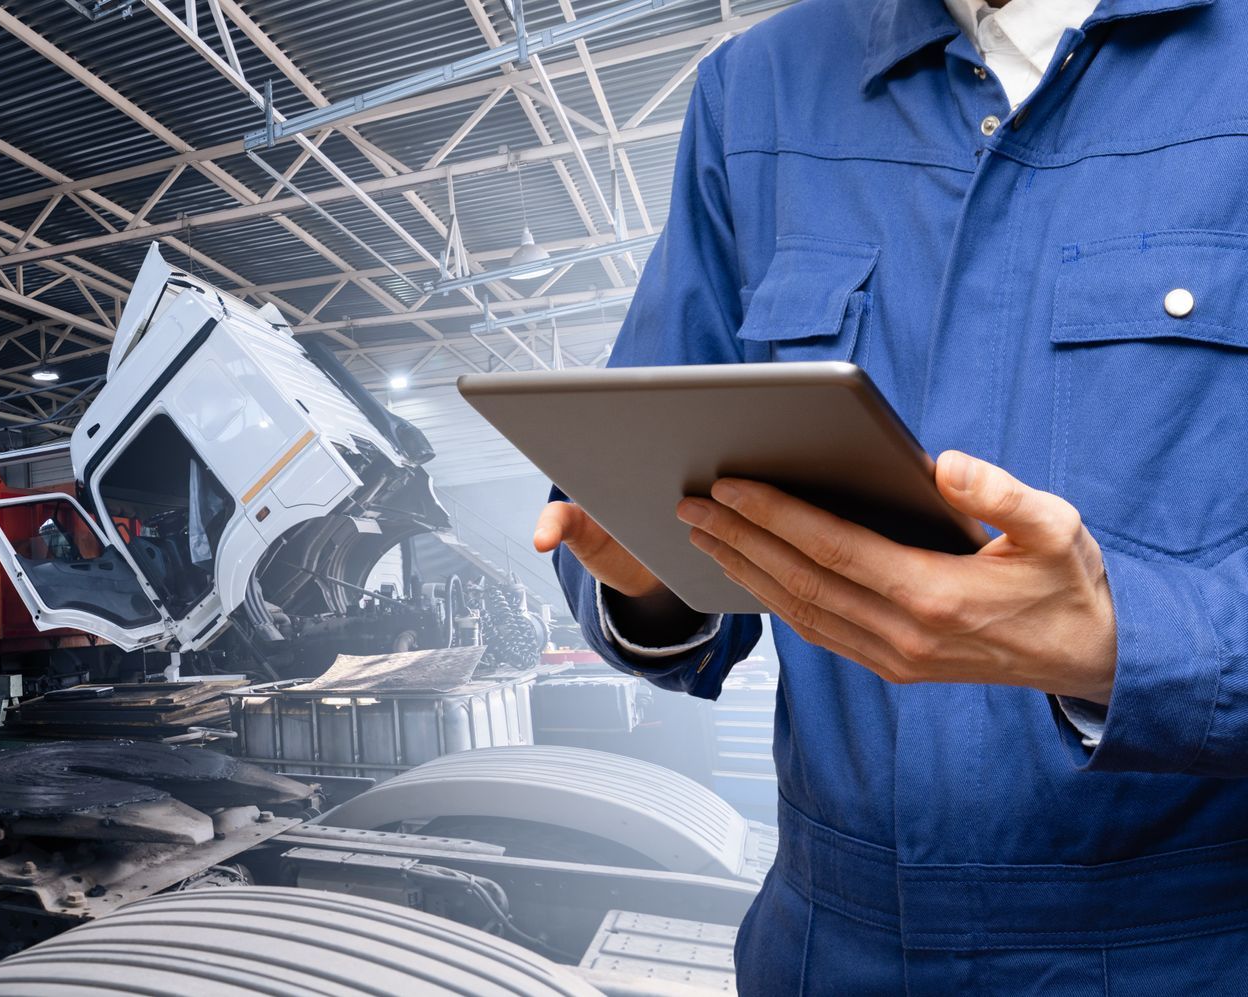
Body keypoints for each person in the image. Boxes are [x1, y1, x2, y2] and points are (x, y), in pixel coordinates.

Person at [533, 0, 1248, 991]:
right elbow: (648, 483)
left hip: (1189, 951)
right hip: (828, 952)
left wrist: (1136, 648)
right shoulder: (758, 95)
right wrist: (649, 573)